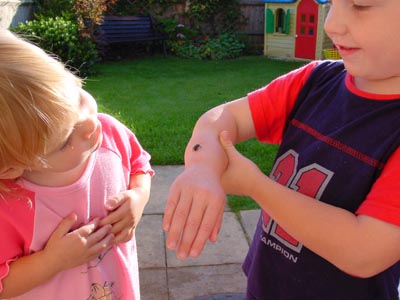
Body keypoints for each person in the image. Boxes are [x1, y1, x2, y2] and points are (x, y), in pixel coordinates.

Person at [163, 0, 400, 299]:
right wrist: (202, 169)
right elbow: (223, 118)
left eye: (360, 5)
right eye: (331, 3)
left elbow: (364, 252)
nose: (331, 24)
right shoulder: (315, 80)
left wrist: (255, 185)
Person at [0, 30, 153, 299]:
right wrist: (52, 261)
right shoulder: (8, 206)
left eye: (80, 96)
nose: (92, 126)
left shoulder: (111, 132)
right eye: (64, 142)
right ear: (11, 168)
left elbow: (139, 164)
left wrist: (139, 197)